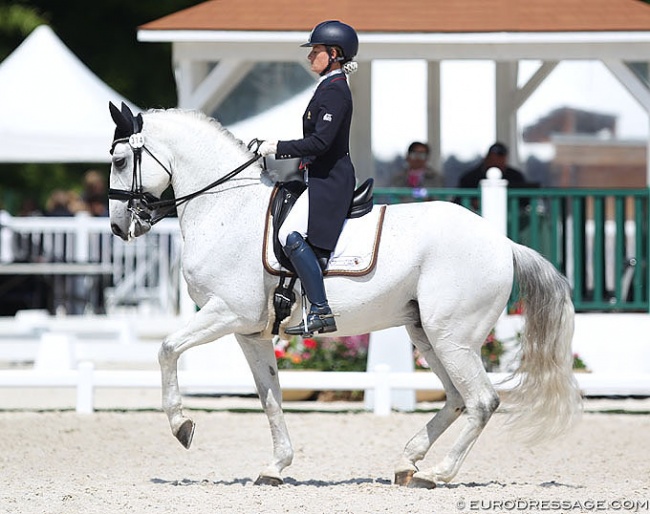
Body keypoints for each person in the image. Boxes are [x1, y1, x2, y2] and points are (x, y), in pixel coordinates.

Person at [257, 20, 359, 336]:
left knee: (289, 234)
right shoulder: (328, 86)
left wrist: (276, 147)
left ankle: (320, 310)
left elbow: (320, 143)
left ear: (334, 53)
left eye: (315, 50)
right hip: (317, 176)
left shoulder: (336, 90)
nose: (309, 56)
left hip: (330, 180)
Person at [458, 142, 527, 188]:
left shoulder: (516, 176)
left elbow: (525, 201)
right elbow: (458, 202)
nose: (496, 162)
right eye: (492, 158)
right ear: (486, 159)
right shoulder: (469, 178)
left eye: (500, 158)